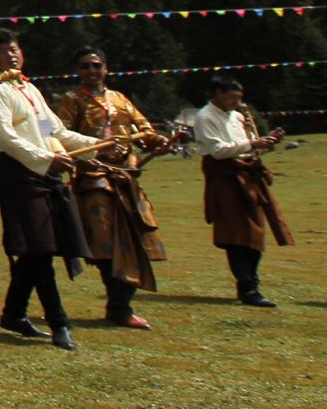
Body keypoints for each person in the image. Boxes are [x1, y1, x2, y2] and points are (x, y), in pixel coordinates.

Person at [0, 29, 96, 352]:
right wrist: (46, 159)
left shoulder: (29, 89)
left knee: (36, 249)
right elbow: (4, 138)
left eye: (14, 49)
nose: (11, 55)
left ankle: (13, 314)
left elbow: (54, 131)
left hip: (45, 175)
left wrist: (98, 147)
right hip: (21, 177)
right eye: (2, 51)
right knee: (38, 249)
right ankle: (59, 322)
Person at [50, 46, 170, 329]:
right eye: (85, 66)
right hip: (95, 180)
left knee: (137, 239)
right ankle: (119, 306)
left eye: (96, 65)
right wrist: (96, 151)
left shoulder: (120, 100)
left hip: (126, 179)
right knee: (107, 245)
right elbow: (62, 137)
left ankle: (120, 307)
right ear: (78, 71)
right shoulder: (71, 100)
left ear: (106, 69)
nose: (92, 71)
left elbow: (144, 130)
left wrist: (157, 142)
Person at [192, 76, 291, 307]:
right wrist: (253, 145)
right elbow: (217, 151)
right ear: (217, 93)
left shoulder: (237, 117)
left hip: (247, 177)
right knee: (236, 235)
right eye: (231, 97)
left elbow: (249, 149)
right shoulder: (204, 117)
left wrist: (266, 143)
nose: (236, 103)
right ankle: (247, 287)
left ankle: (252, 283)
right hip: (225, 178)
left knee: (256, 231)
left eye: (239, 99)